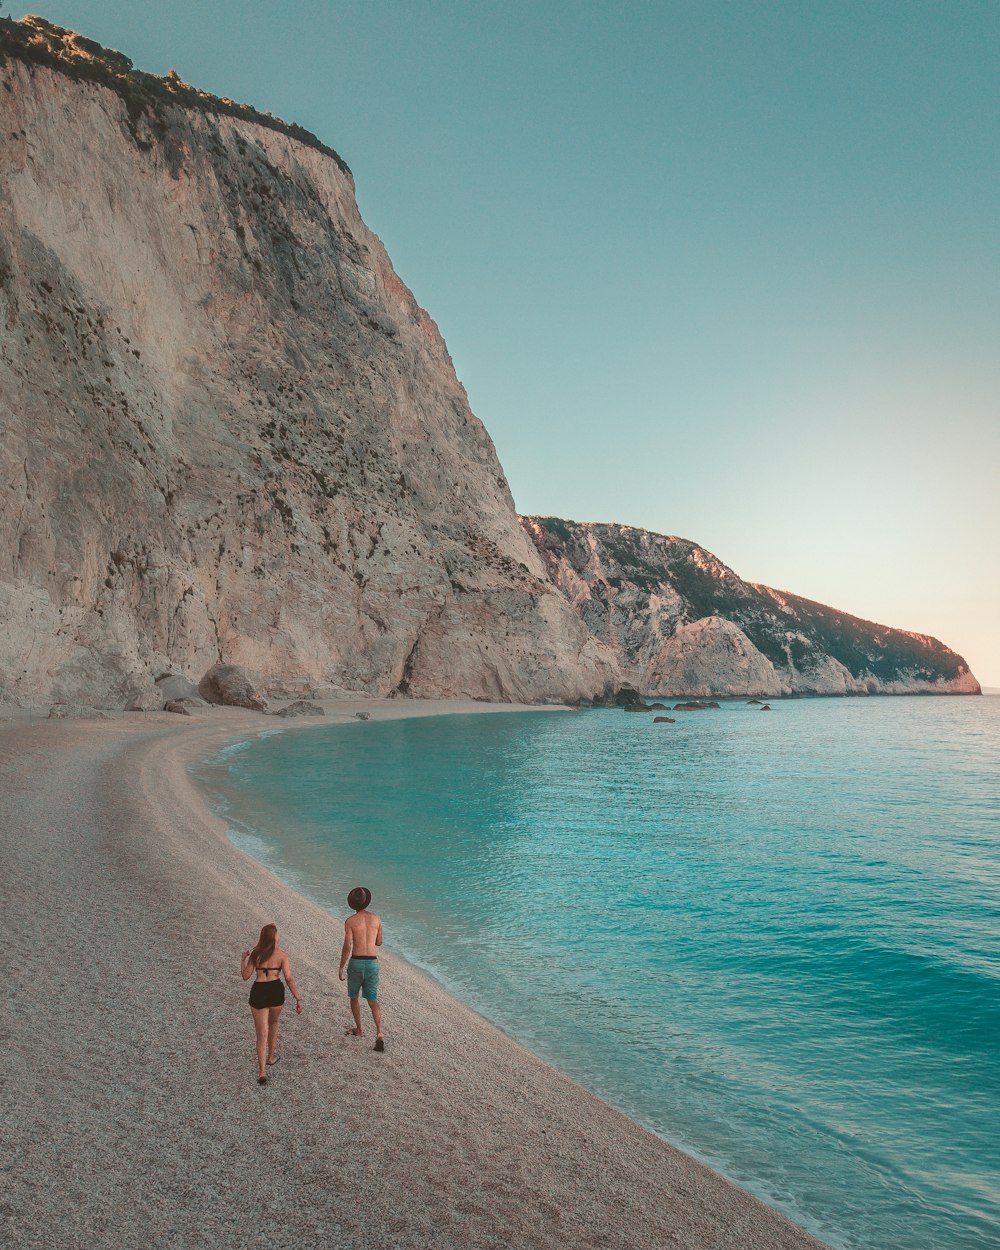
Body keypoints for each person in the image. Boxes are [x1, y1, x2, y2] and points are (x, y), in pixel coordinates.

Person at [241, 923, 303, 1084]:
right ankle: (270, 1057)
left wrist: (243, 959)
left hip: (259, 991)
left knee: (261, 1033)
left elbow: (245, 976)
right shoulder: (282, 955)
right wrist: (298, 998)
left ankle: (262, 1071)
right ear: (274, 937)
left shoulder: (256, 954)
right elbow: (289, 978)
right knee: (274, 1023)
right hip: (275, 990)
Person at [339, 886, 385, 1052]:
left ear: (352, 903)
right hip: (372, 962)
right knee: (373, 1000)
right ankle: (379, 1032)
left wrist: (341, 966)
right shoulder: (376, 918)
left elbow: (347, 946)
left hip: (356, 962)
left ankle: (359, 1029)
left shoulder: (350, 921)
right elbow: (379, 942)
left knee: (354, 998)